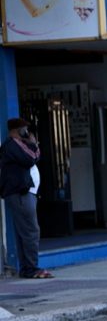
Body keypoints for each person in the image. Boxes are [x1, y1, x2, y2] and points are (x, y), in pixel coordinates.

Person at [0, 117, 52, 278]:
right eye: (24, 129)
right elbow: (32, 157)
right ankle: (31, 268)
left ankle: (27, 267)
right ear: (17, 130)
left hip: (24, 192)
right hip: (21, 192)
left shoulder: (16, 145)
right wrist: (33, 143)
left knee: (25, 230)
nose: (27, 132)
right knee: (31, 230)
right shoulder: (13, 145)